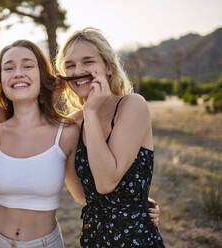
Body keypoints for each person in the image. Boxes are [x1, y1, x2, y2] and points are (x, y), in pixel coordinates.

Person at [0, 40, 85, 248]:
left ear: (42, 75)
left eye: (28, 66)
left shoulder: (66, 132)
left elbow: (82, 195)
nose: (18, 73)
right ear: (1, 79)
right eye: (9, 68)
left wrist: (133, 204)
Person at [55, 27, 164, 247]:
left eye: (88, 62)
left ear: (108, 68)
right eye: (70, 65)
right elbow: (83, 196)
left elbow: (105, 183)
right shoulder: (73, 122)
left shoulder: (133, 105)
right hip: (93, 238)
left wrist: (91, 112)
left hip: (136, 239)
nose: (78, 71)